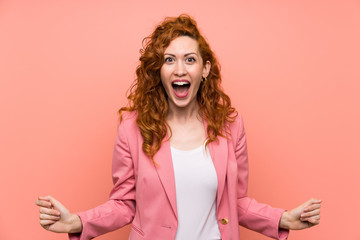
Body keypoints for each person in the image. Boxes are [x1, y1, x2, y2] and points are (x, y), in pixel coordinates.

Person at [35, 14, 321, 240]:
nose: (180, 69)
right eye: (169, 60)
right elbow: (124, 204)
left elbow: (237, 201)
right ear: (159, 70)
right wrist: (77, 222)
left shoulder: (230, 126)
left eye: (190, 59)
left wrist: (282, 219)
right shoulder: (132, 128)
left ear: (205, 70)